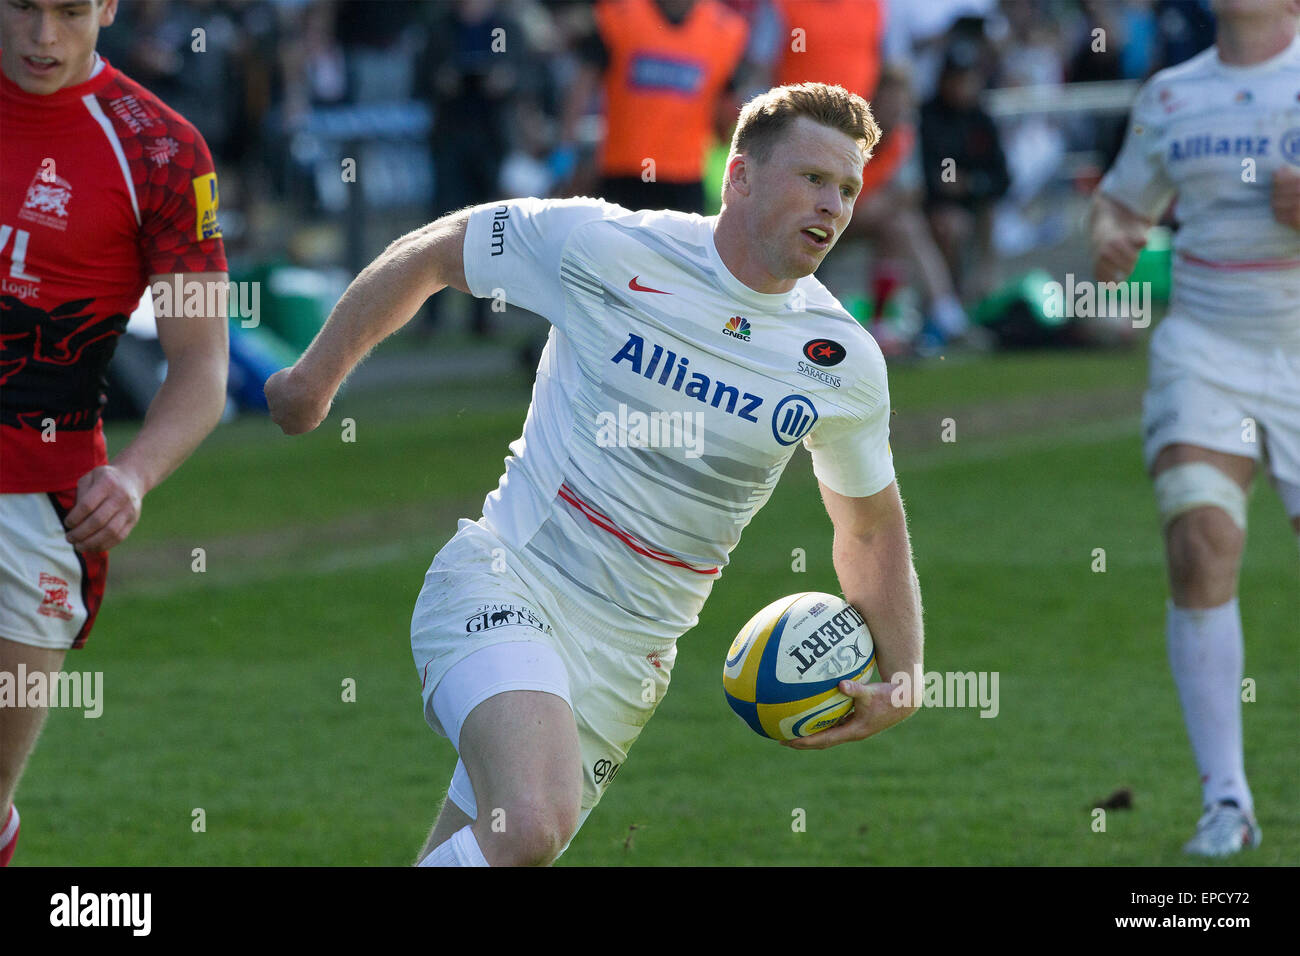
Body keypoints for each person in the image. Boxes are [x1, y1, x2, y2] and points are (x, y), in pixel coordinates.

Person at [267, 82, 924, 867]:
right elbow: (444, 248)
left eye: (847, 188)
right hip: (511, 579)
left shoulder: (840, 359)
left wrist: (905, 675)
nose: (833, 204)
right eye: (812, 178)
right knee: (532, 824)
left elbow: (870, 524)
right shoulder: (609, 247)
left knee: (490, 846)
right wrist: (315, 377)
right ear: (740, 175)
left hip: (631, 661)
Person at [0, 0, 229, 866]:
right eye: (22, 5)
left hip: (40, 516)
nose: (42, 36)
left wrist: (132, 476)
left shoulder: (161, 150)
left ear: (108, 6)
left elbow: (202, 368)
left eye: (68, 10)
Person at [1090, 0, 1300, 857]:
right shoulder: (1172, 95)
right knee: (1200, 538)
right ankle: (1227, 803)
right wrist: (1111, 240)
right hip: (1207, 345)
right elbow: (1117, 204)